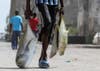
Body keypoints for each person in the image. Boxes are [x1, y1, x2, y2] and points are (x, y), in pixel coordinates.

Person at [35, 0, 64, 68]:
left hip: (54, 2)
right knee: (48, 22)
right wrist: (28, 7)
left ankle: (42, 56)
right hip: (41, 2)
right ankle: (44, 56)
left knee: (50, 28)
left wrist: (62, 6)